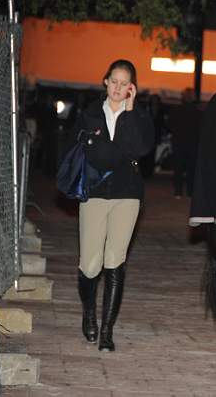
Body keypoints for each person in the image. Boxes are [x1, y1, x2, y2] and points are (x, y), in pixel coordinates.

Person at [71, 59, 154, 352]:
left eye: (125, 84)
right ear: (105, 81)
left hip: (127, 195)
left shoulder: (140, 117)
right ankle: (88, 313)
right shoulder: (89, 115)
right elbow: (92, 154)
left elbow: (140, 149)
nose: (118, 88)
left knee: (115, 259)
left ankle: (106, 330)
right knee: (90, 263)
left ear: (132, 88)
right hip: (94, 193)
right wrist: (111, 152)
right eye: (114, 81)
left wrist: (129, 114)